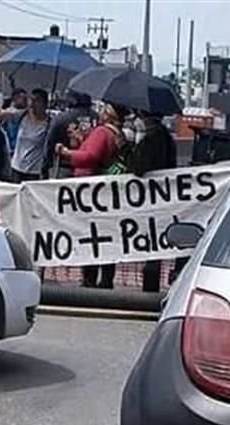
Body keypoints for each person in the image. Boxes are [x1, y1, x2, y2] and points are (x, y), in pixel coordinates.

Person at [56, 101, 130, 289]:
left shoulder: (102, 132)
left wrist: (66, 153)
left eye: (104, 109)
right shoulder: (116, 134)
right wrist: (81, 141)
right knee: (108, 236)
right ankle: (106, 279)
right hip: (105, 193)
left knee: (91, 236)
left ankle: (90, 278)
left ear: (109, 114)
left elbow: (90, 157)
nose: (100, 112)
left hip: (91, 193)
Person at [128, 111, 179, 293]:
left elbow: (138, 168)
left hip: (148, 199)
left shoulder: (150, 139)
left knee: (150, 246)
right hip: (162, 198)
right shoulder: (167, 137)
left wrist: (134, 146)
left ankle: (149, 287)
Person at [43, 90, 97, 179]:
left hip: (64, 169)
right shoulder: (97, 118)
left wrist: (44, 169)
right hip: (90, 169)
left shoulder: (60, 119)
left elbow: (49, 145)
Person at [10, 88, 50, 182]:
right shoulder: (22, 116)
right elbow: (1, 114)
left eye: (37, 101)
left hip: (35, 173)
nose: (32, 104)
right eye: (31, 100)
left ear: (45, 104)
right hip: (17, 169)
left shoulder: (49, 123)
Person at [2, 88, 29, 153]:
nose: (25, 100)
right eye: (22, 98)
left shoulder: (28, 113)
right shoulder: (7, 112)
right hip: (10, 149)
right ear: (15, 98)